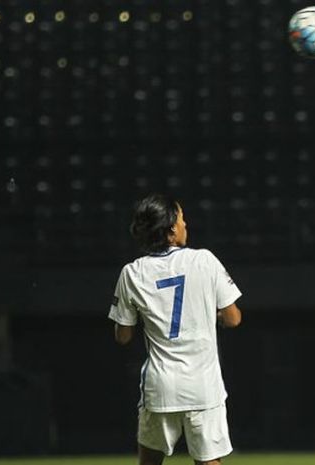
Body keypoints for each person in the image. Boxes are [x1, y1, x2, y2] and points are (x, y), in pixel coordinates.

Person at [108, 194, 242, 465]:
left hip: (161, 386)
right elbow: (233, 318)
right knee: (208, 462)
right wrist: (208, 313)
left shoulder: (132, 273)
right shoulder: (204, 260)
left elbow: (122, 336)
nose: (185, 224)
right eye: (181, 219)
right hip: (203, 386)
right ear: (170, 230)